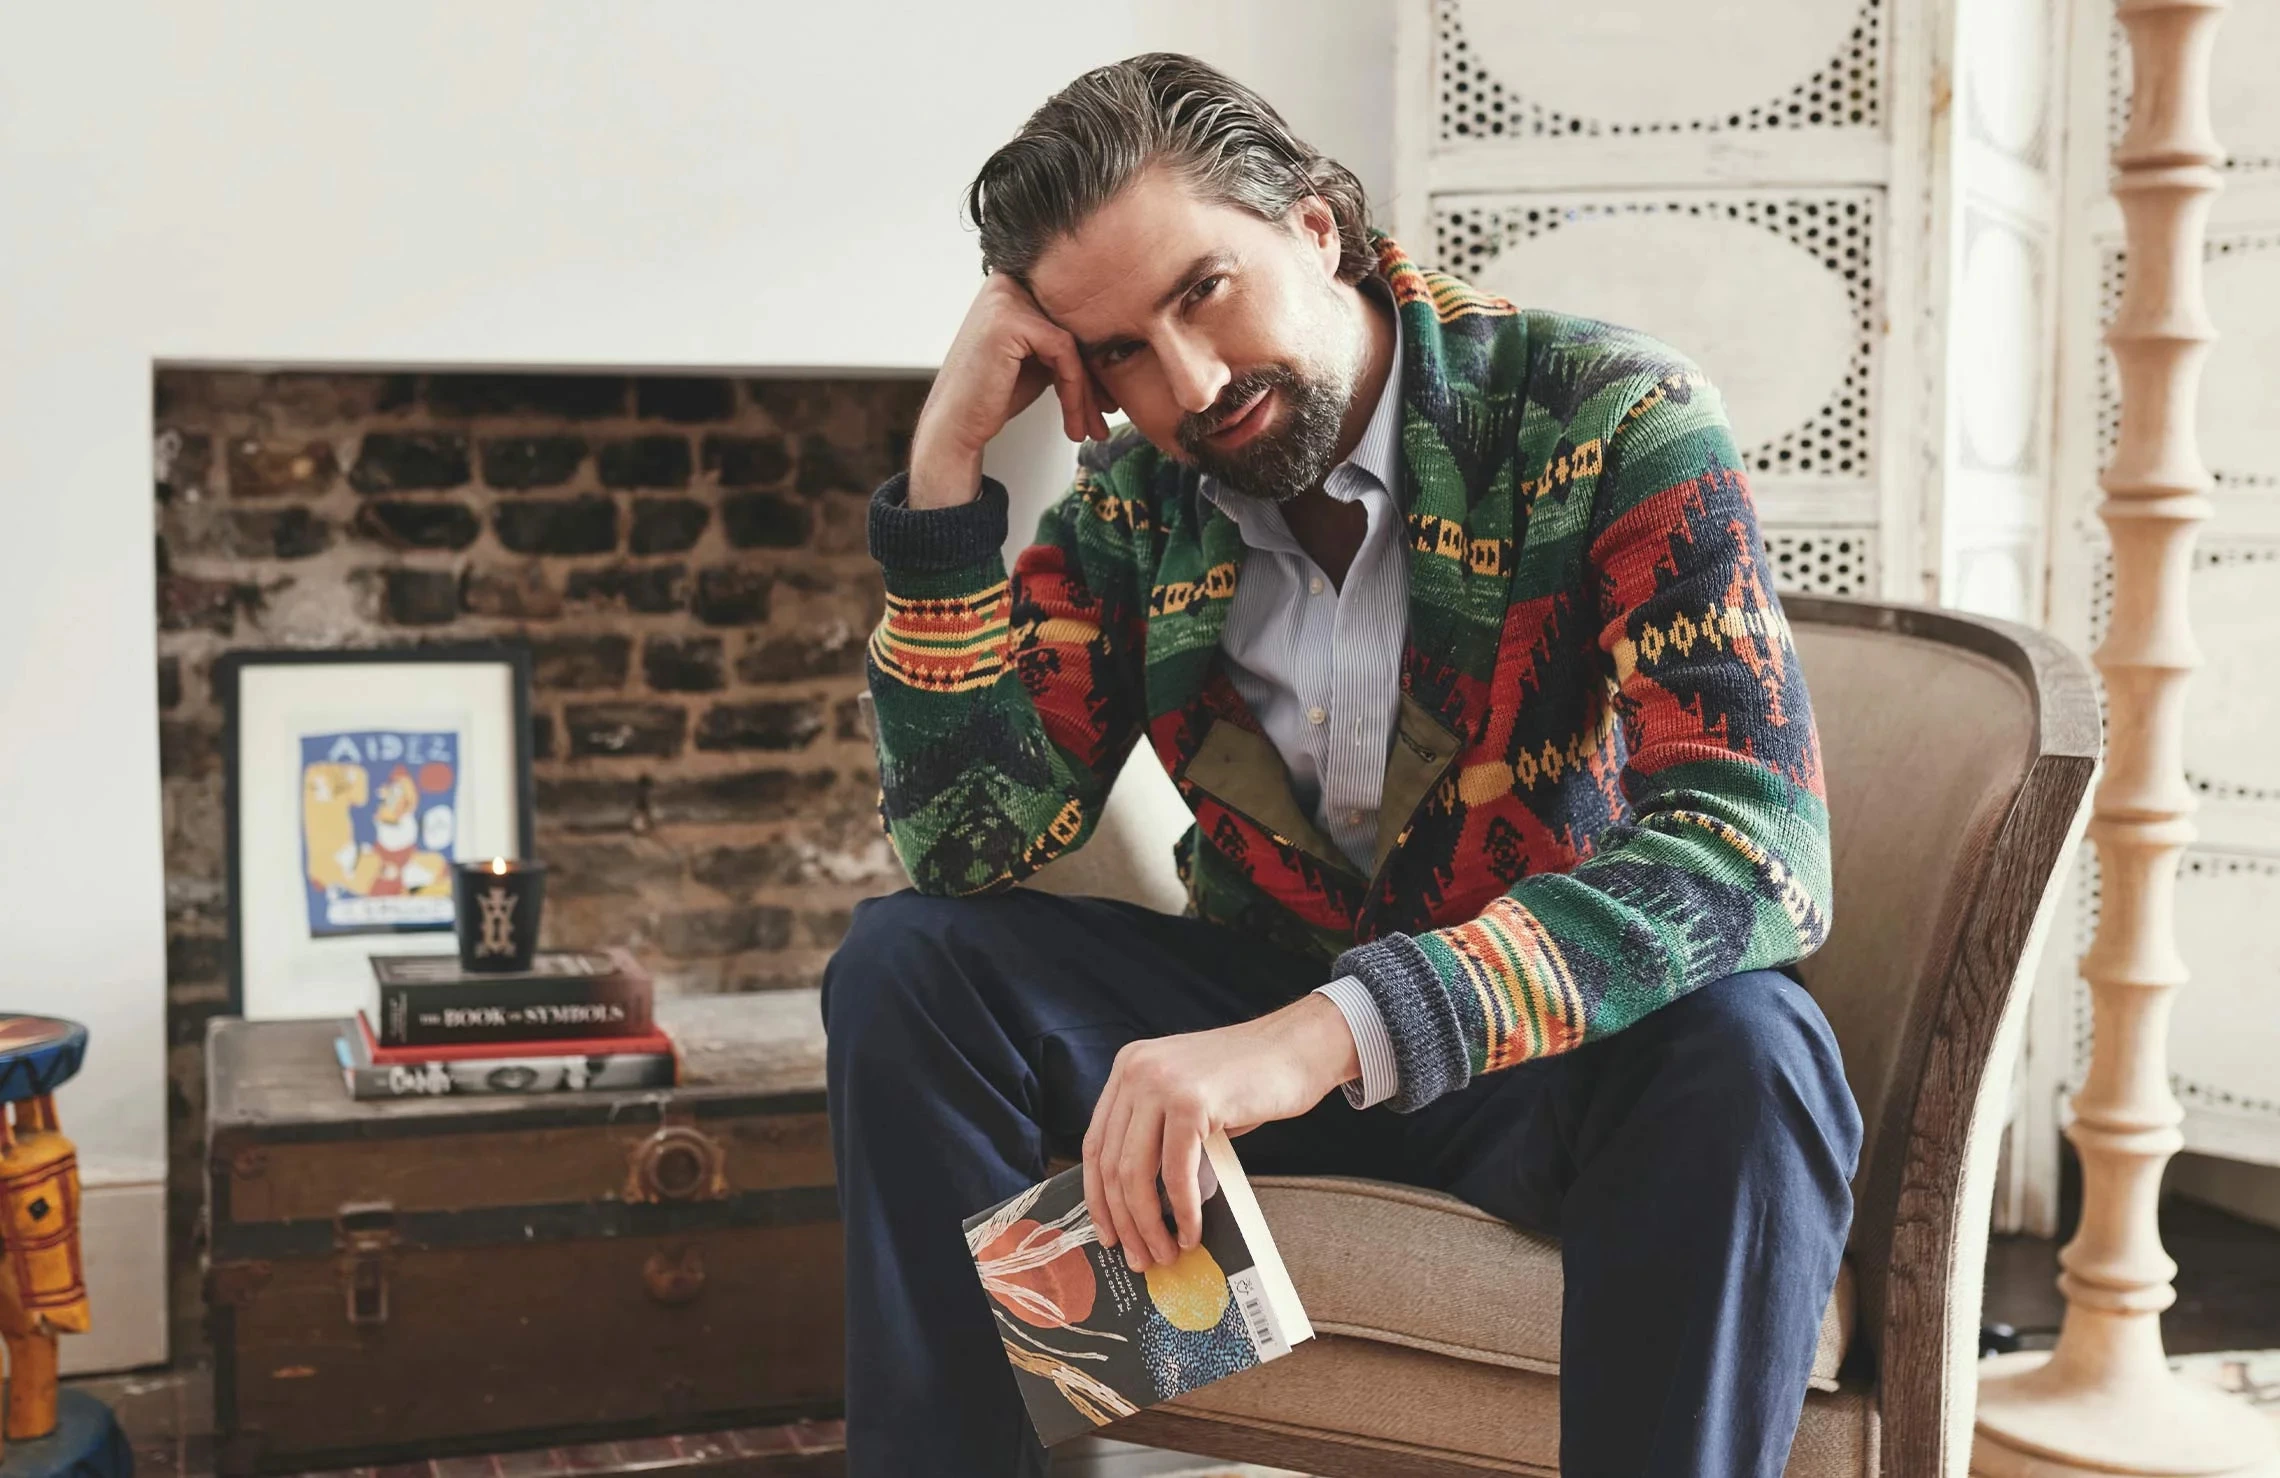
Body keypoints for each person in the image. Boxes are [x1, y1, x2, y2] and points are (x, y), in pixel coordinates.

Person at [822, 51, 1861, 1478]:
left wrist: (1320, 1035)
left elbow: (1756, 846)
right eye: (1121, 349)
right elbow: (963, 845)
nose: (1186, 382)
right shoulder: (1135, 507)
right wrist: (946, 477)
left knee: (1756, 1047)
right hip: (1261, 1009)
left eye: (1202, 291)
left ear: (1316, 225)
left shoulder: (1606, 414)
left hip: (1529, 1056)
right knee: (909, 963)